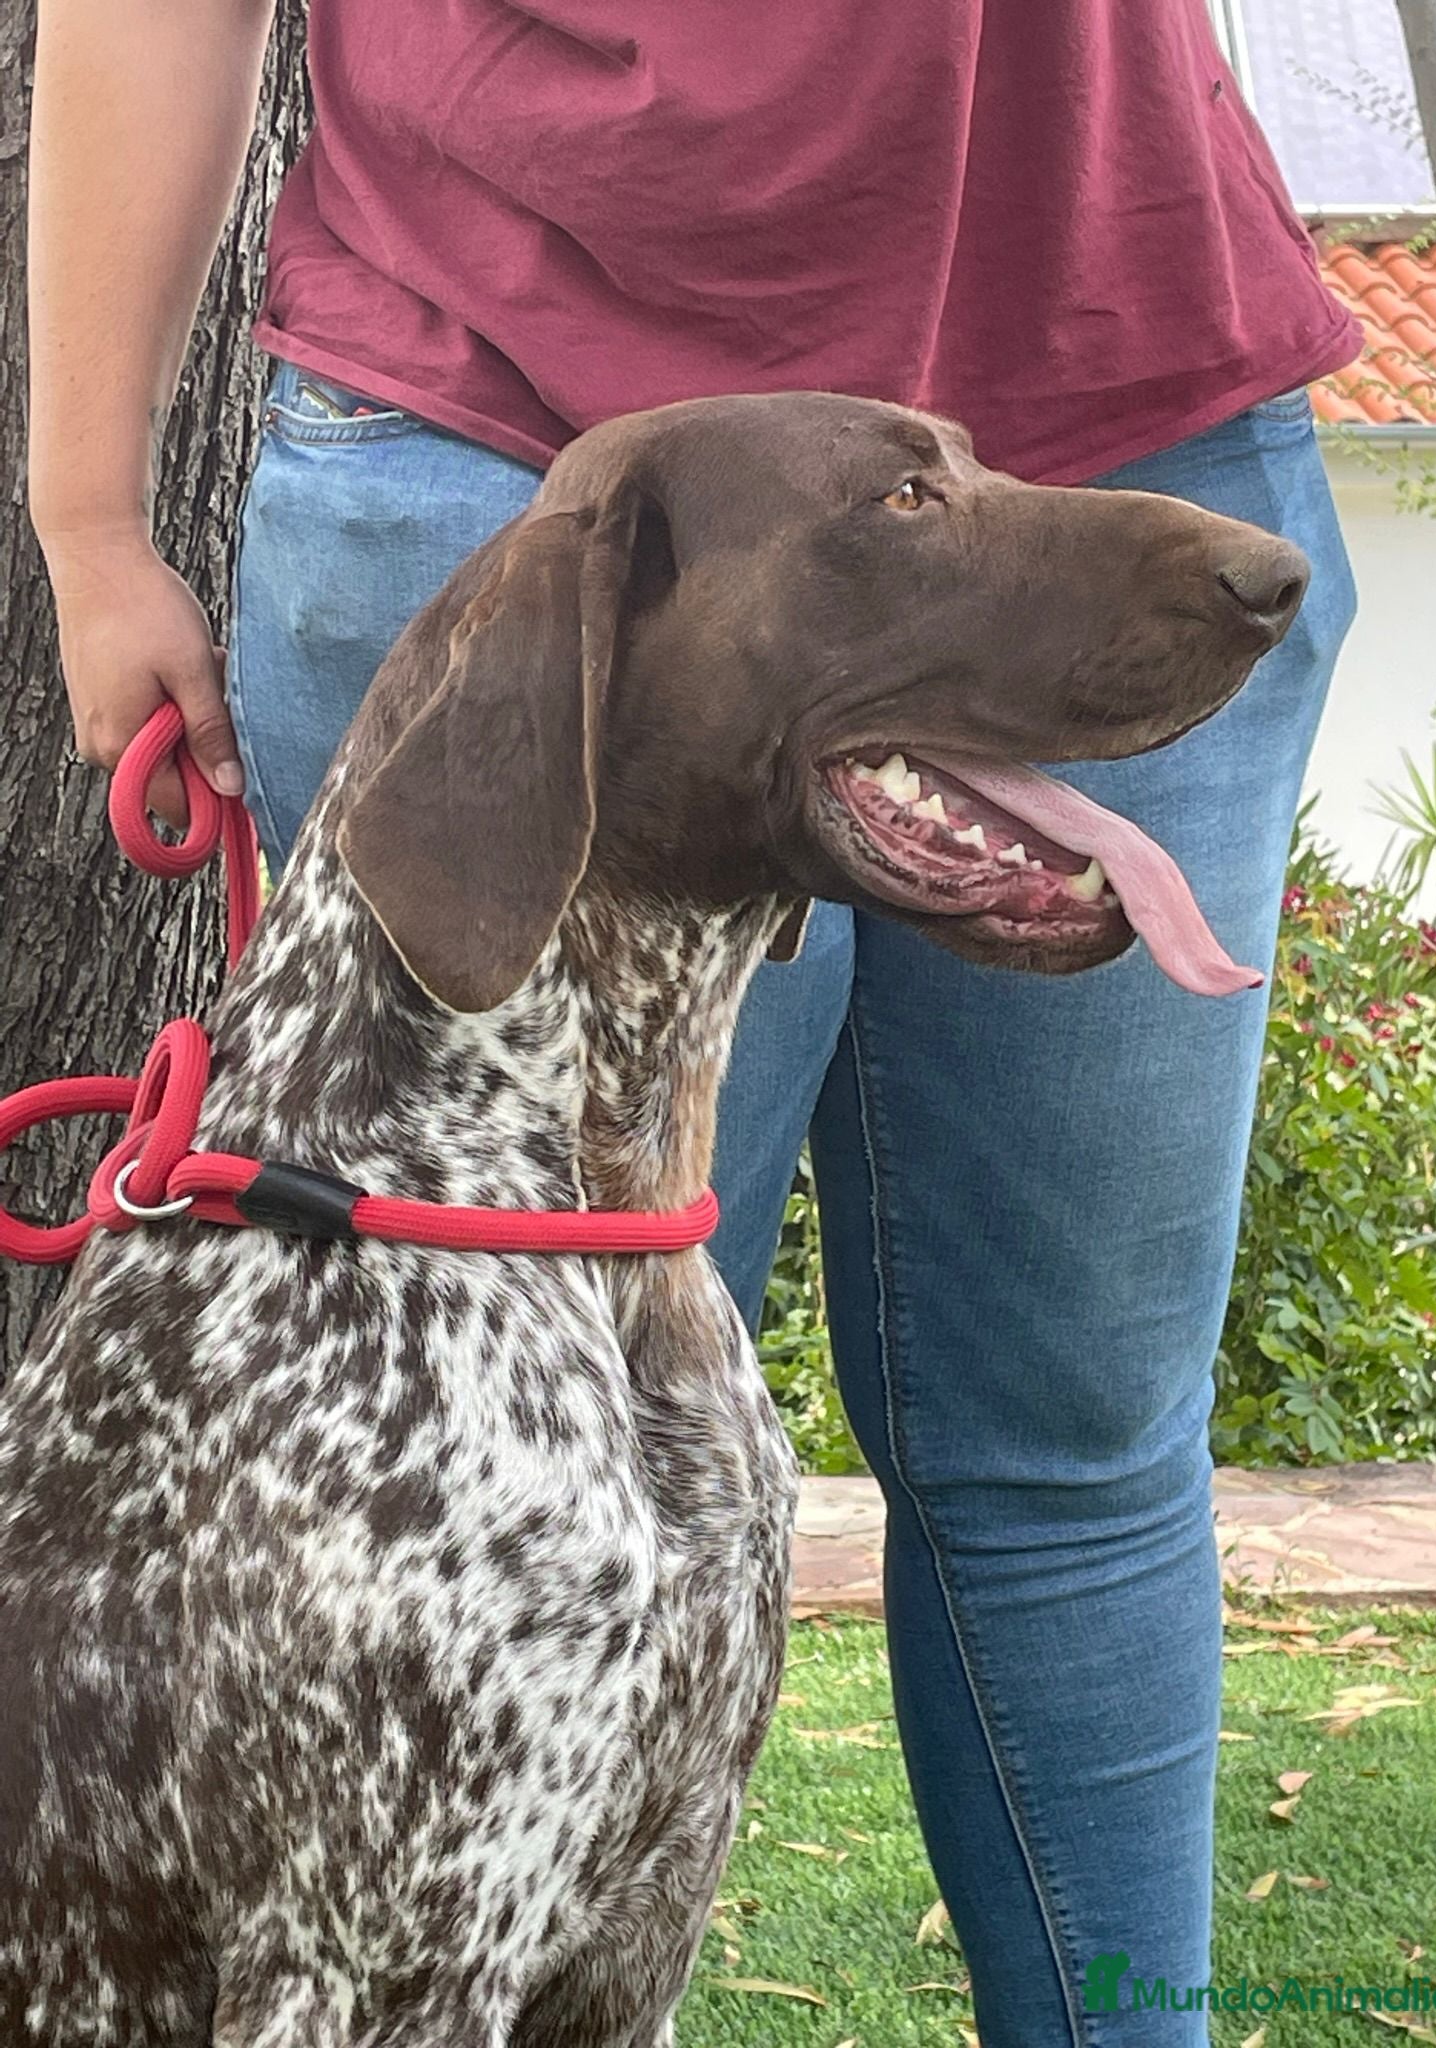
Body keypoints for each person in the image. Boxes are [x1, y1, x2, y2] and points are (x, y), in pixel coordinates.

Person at [27, 5, 1358, 2041]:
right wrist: (91, 509)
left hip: (1119, 344)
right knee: (488, 1499)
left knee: (1055, 1470)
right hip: (497, 387)